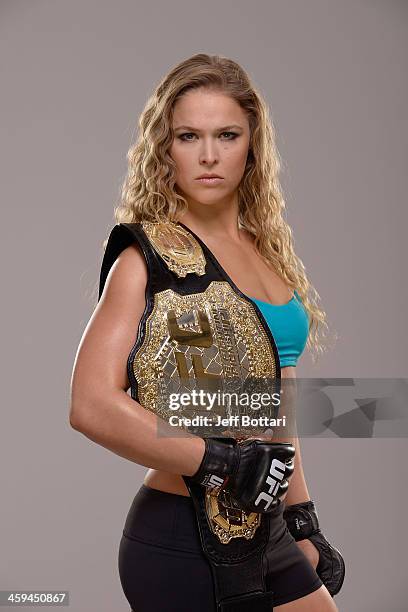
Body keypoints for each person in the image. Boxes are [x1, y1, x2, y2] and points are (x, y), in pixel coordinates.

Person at [69, 53, 344, 611]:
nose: (210, 155)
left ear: (253, 145)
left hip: (262, 525)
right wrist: (218, 462)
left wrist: (301, 515)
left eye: (227, 135)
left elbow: (274, 403)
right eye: (189, 136)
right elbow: (90, 404)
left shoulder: (265, 254)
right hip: (181, 534)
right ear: (164, 148)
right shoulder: (147, 258)